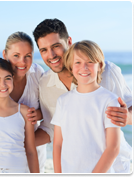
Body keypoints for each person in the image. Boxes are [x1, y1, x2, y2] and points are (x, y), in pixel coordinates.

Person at [33, 18, 132, 173]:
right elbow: (52, 130)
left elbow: (129, 110)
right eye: (43, 50)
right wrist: (15, 143)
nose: (51, 55)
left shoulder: (107, 72)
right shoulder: (45, 83)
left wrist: (127, 117)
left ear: (69, 41)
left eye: (56, 46)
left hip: (115, 167)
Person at [0, 31, 46, 172]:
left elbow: (50, 108)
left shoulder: (37, 75)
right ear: (5, 55)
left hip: (27, 159)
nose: (22, 62)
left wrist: (39, 114)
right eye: (16, 55)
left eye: (28, 56)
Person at [51, 40, 127, 173]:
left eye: (90, 62)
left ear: (100, 65)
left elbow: (113, 148)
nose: (84, 67)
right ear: (71, 67)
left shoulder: (110, 100)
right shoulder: (63, 101)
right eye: (78, 62)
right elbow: (57, 144)